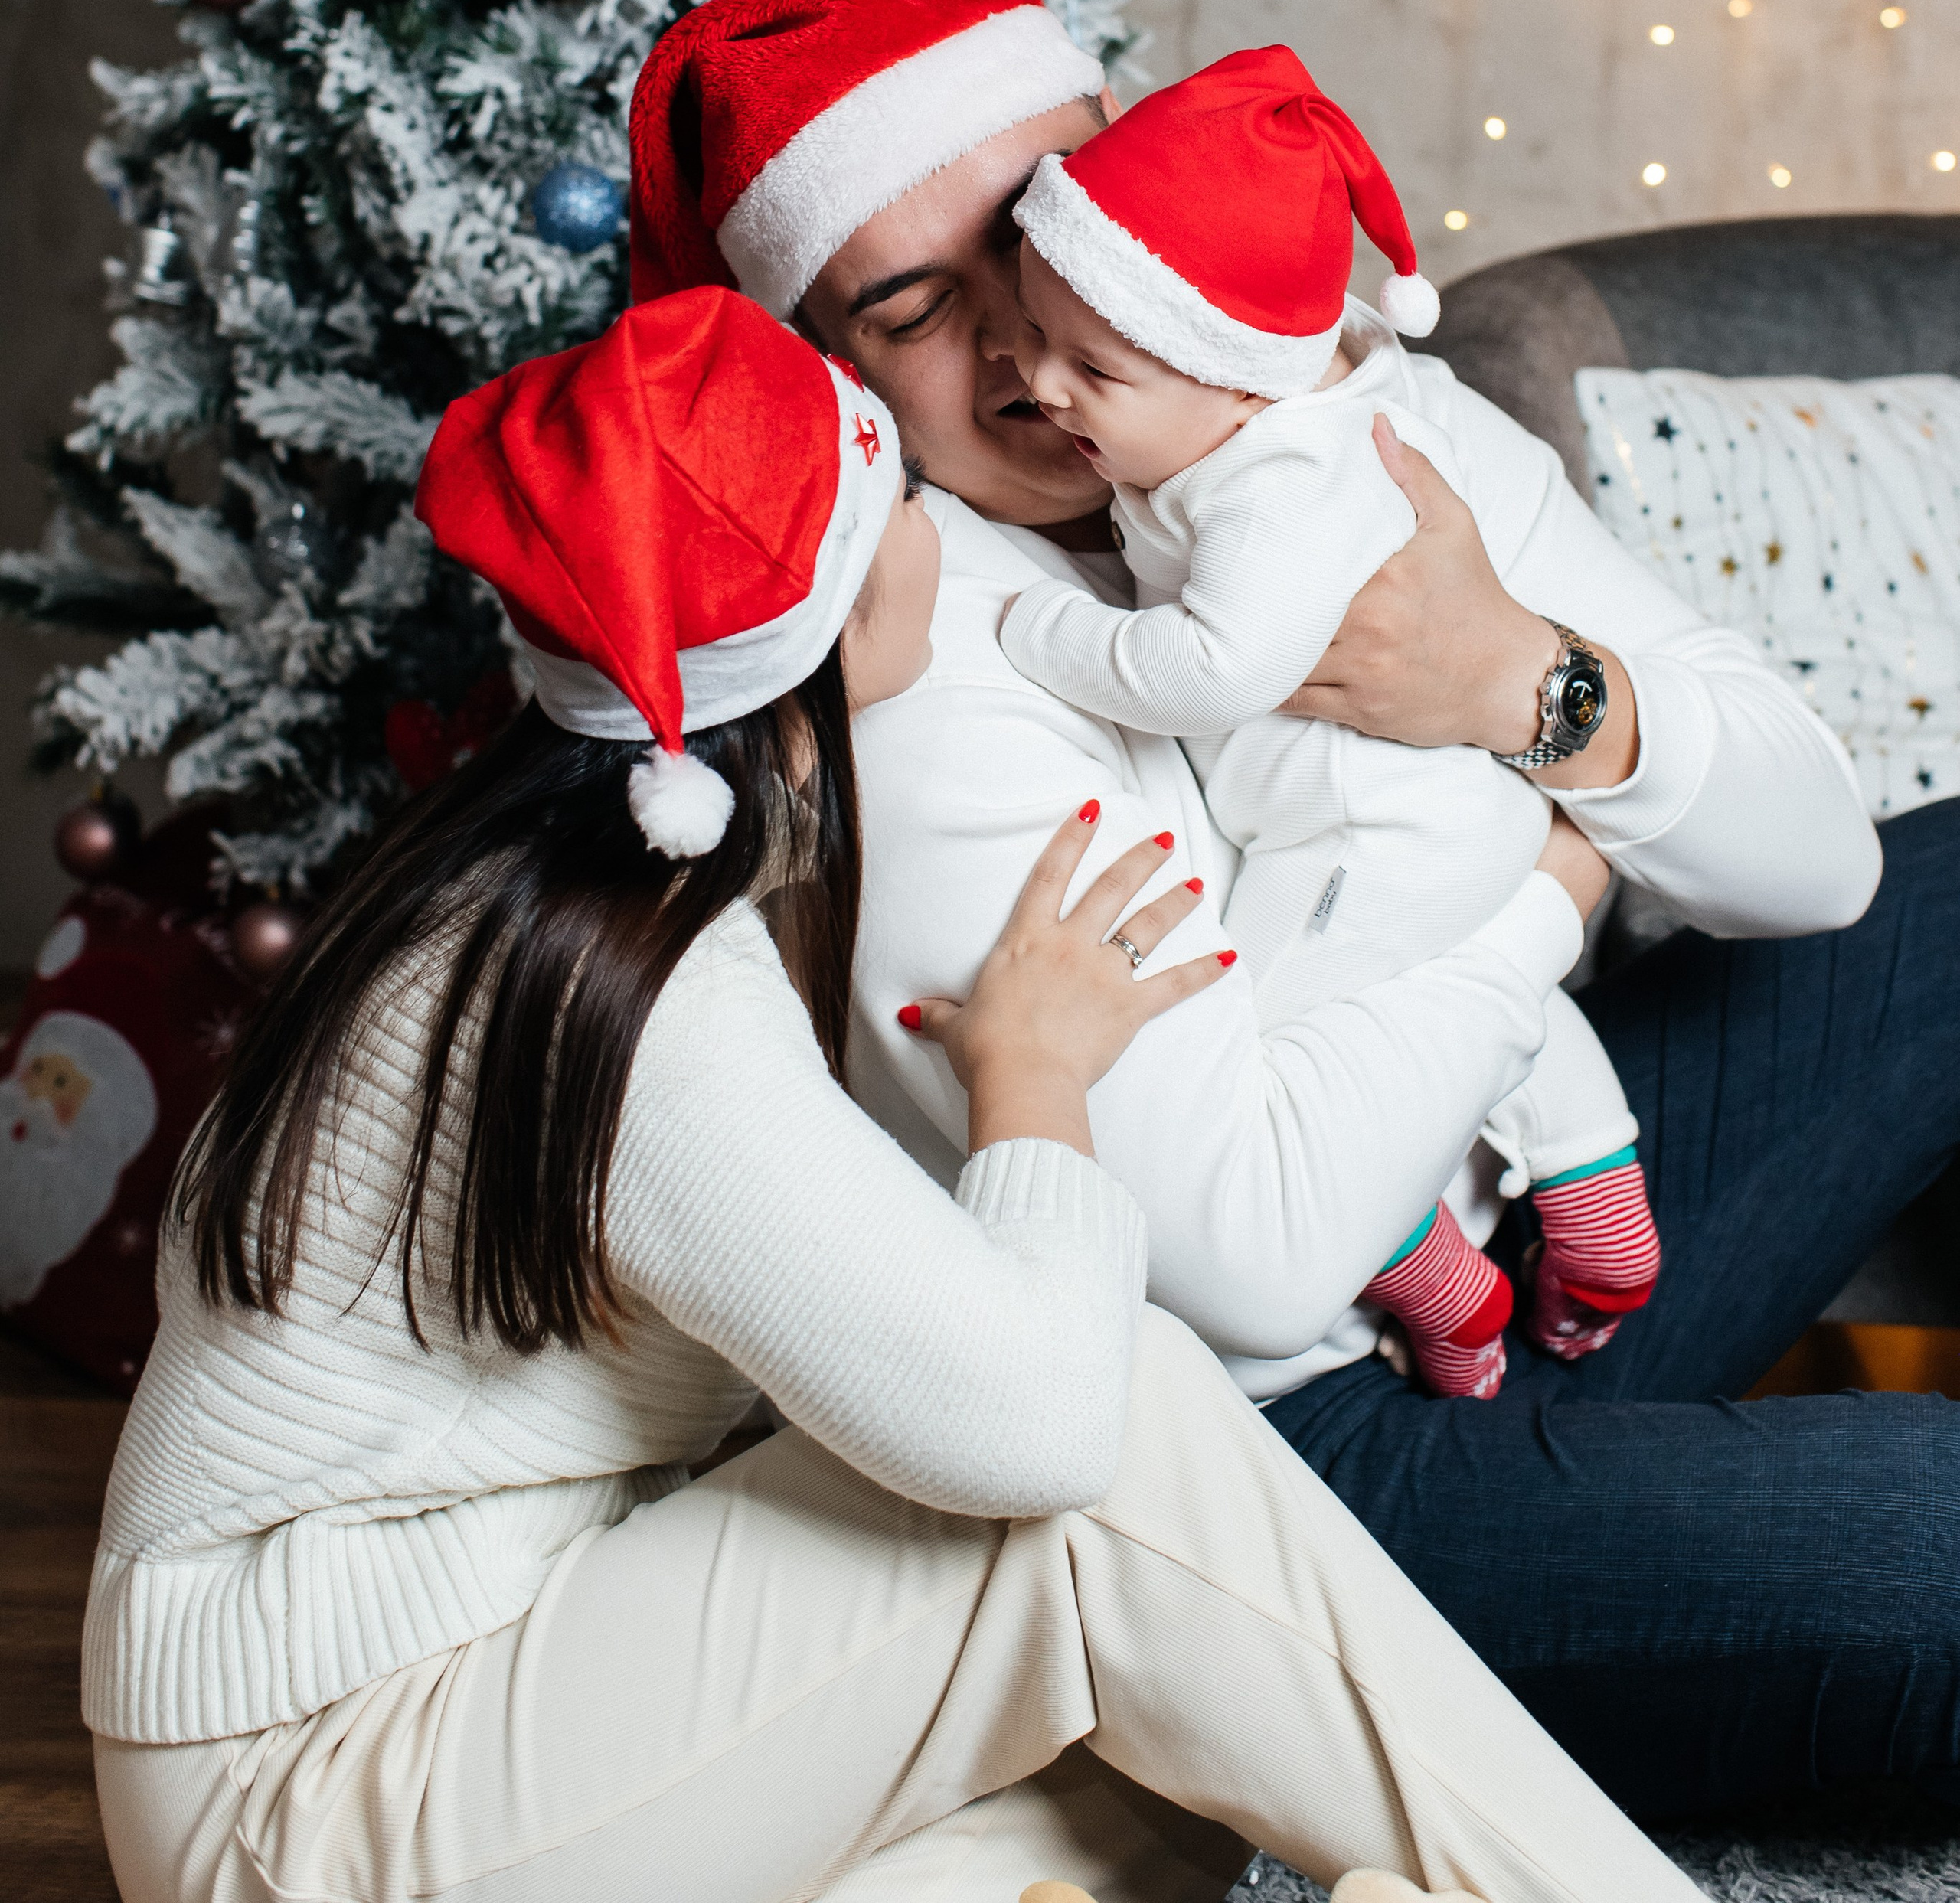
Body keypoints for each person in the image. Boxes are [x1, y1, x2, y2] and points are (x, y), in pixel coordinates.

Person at [83, 286, 1697, 1903]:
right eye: (906, 499)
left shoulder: (536, 876)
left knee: (1157, 1772)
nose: (945, 530)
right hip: (312, 1804)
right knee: (1124, 1444)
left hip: (449, 1687)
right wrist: (1032, 1077)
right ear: (844, 616)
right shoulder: (639, 1000)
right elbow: (1041, 1428)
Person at [626, 0, 1960, 1826]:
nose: (1023, 343)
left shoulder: (1348, 419)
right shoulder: (918, 654)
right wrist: (1543, 895)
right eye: (916, 307)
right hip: (1280, 1470)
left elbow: (1816, 861)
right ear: (828, 376)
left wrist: (1518, 681)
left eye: (1041, 221)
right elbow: (1259, 1267)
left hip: (1538, 1222)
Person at [1001, 43, 1662, 1399]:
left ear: (1237, 376)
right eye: (1032, 334)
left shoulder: (1276, 488)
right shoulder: (1280, 405)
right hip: (1442, 825)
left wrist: (1045, 631)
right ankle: (1597, 1192)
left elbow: (1214, 668)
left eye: (1090, 369)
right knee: (1445, 980)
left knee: (1265, 1066)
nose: (1039, 383)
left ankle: (1430, 1272)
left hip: (1365, 839)